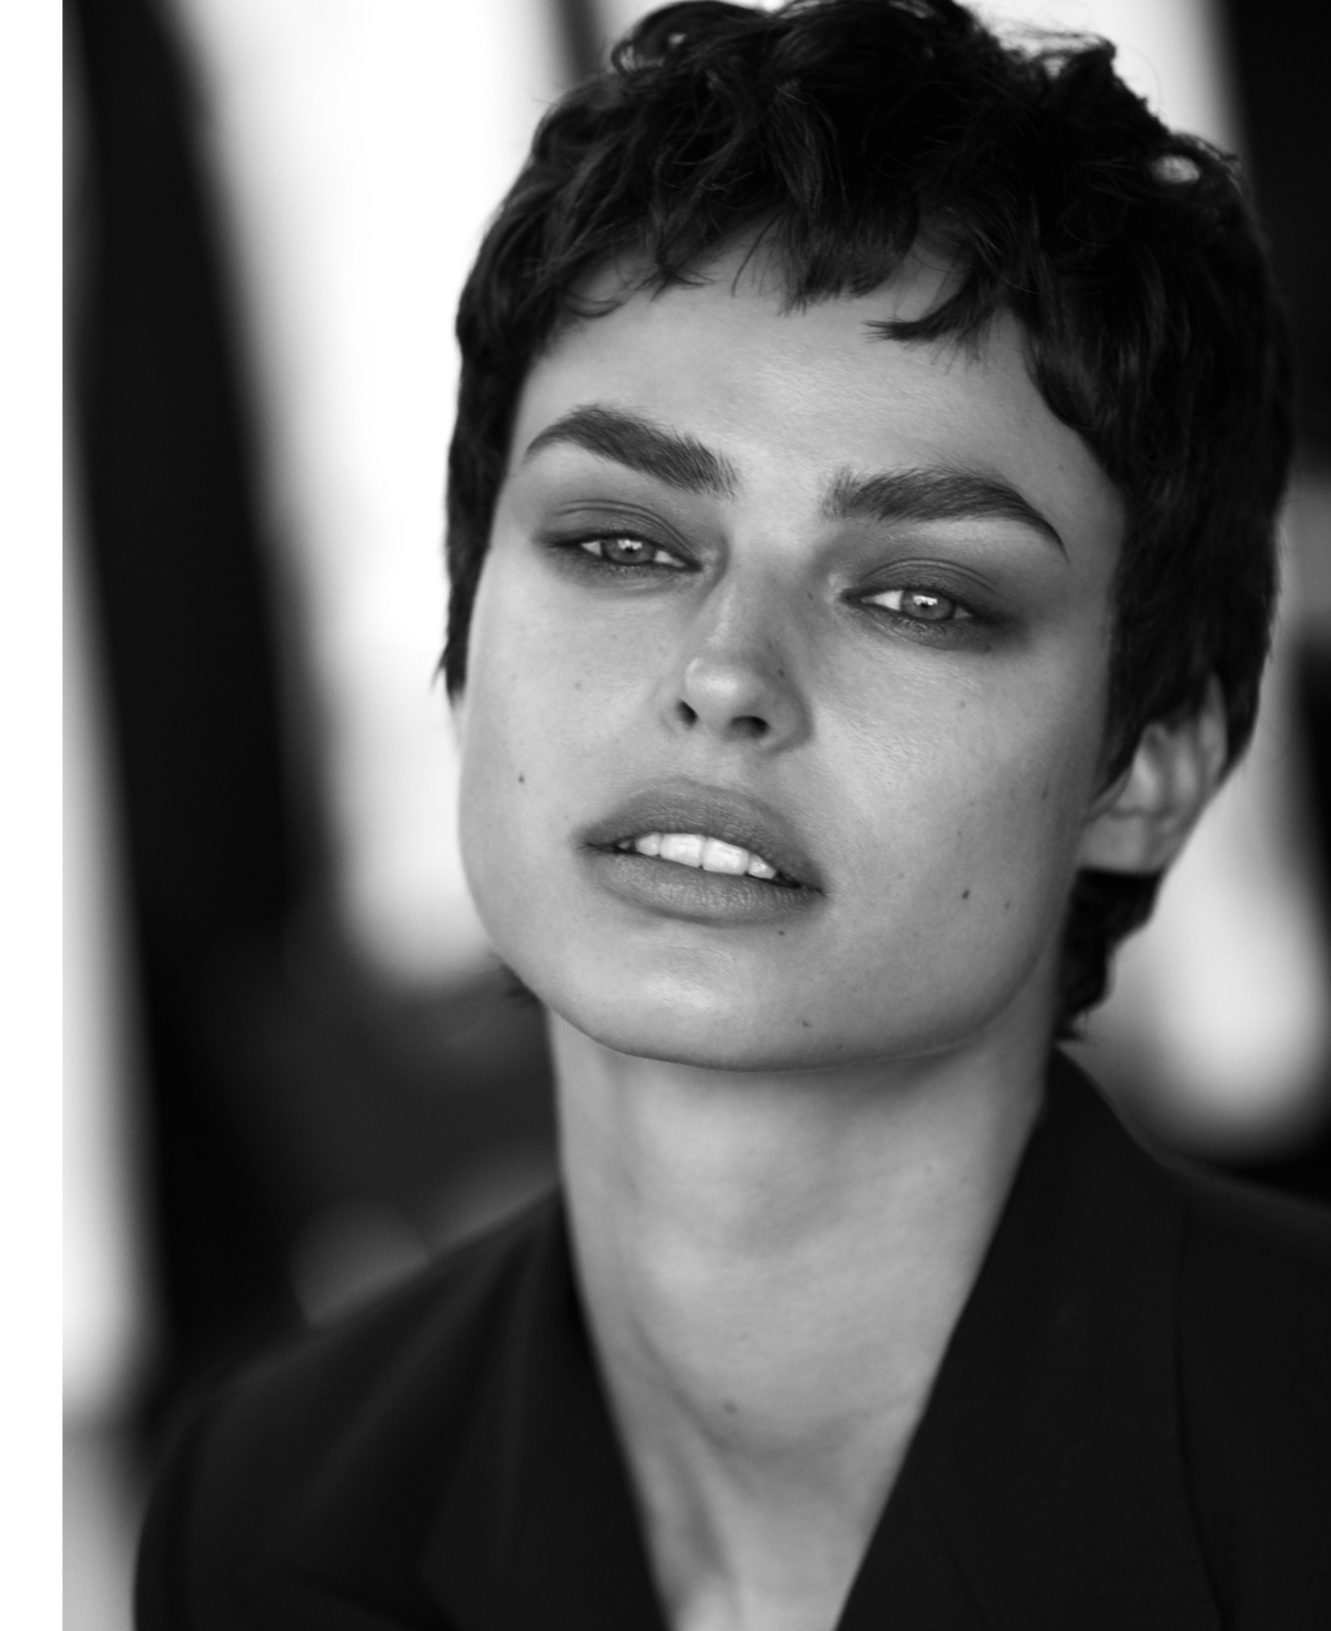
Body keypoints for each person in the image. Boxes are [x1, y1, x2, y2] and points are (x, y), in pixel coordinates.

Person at [135, 2, 1331, 1627]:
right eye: (619, 543)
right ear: (466, 634)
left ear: (1151, 762)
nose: (723, 672)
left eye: (917, 595)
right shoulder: (267, 1502)